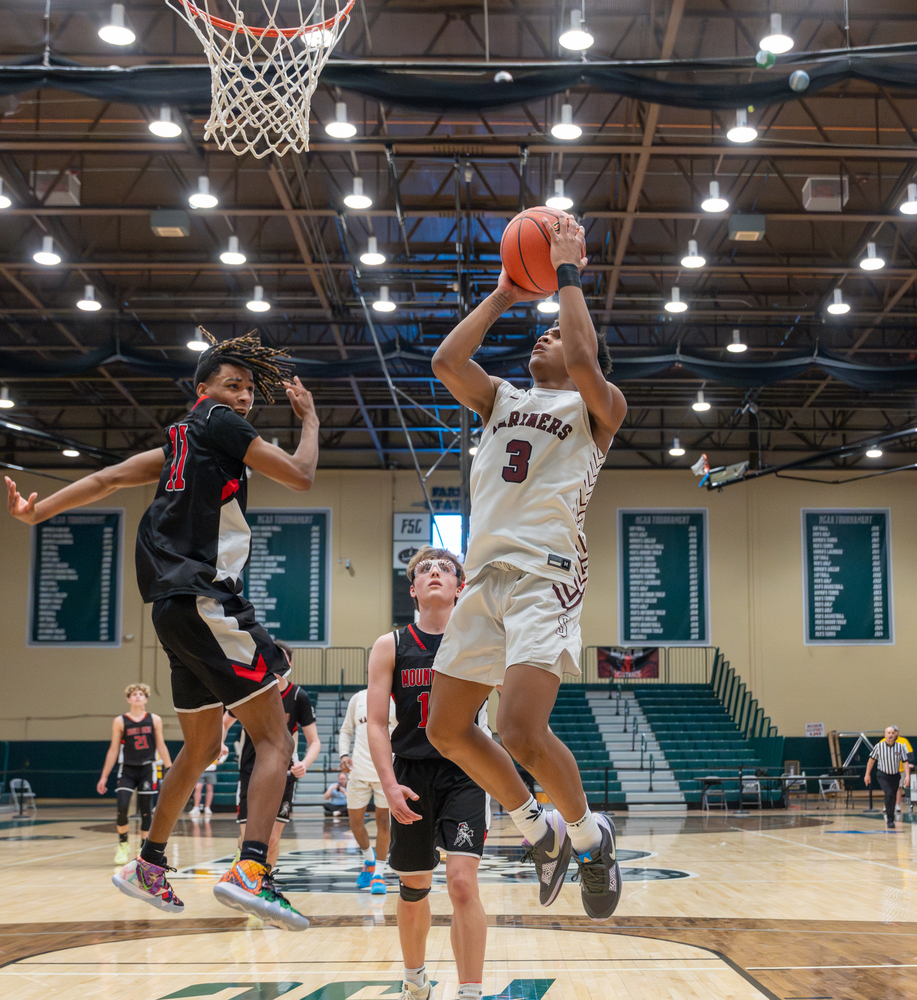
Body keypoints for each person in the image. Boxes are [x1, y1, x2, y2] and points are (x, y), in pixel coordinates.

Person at [5, 334, 319, 930]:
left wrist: (37, 513)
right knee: (275, 738)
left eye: (250, 388)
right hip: (204, 596)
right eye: (232, 384)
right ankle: (253, 870)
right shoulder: (219, 421)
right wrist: (310, 420)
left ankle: (148, 863)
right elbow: (302, 476)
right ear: (202, 392)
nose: (244, 395)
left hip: (169, 610)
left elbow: (109, 480)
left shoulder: (181, 443)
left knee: (201, 748)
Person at [425, 211, 627, 920]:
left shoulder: (598, 407)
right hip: (485, 578)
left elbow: (581, 359)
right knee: (445, 727)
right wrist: (506, 293)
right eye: (537, 333)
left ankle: (589, 834)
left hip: (546, 575)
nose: (545, 338)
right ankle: (537, 829)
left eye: (555, 331)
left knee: (518, 729)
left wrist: (567, 272)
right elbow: (446, 363)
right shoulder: (500, 399)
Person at [368, 547, 491, 1000]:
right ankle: (415, 978)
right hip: (411, 773)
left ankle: (470, 991)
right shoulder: (391, 645)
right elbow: (377, 723)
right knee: (415, 883)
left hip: (466, 770)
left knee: (462, 882)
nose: (434, 572)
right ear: (413, 589)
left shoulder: (479, 640)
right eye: (425, 569)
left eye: (445, 569)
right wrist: (388, 785)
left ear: (461, 587)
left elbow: (514, 693)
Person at [228, 670, 319, 873]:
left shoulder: (297, 696)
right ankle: (242, 863)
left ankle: (262, 881)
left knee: (272, 837)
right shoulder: (249, 692)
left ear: (289, 664)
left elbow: (315, 742)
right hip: (250, 771)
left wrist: (304, 763)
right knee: (247, 837)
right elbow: (224, 723)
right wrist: (220, 744)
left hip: (283, 773)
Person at [95, 683, 175, 866]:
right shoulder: (120, 721)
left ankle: (142, 849)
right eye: (134, 694)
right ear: (128, 699)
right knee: (122, 807)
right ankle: (123, 845)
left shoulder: (154, 719)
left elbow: (161, 745)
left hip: (148, 769)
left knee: (146, 812)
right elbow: (114, 750)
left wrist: (170, 769)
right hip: (128, 769)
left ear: (146, 699)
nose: (138, 696)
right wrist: (104, 776)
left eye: (141, 694)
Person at [338, 684, 397, 894]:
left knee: (384, 823)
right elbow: (346, 730)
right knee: (354, 823)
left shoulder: (396, 699)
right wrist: (344, 754)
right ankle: (369, 860)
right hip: (358, 771)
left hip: (385, 772)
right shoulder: (358, 698)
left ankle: (379, 874)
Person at [863, 726, 910, 829]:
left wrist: (907, 776)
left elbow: (905, 761)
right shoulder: (879, 746)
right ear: (885, 735)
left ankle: (890, 817)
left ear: (895, 735)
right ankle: (890, 820)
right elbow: (871, 761)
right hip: (883, 775)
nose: (890, 735)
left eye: (892, 733)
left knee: (892, 796)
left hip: (895, 775)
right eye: (888, 733)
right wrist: (867, 774)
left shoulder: (900, 747)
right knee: (888, 794)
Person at [191, 744, 227, 819]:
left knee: (210, 788)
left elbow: (225, 752)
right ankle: (196, 807)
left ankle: (207, 807)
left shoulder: (216, 744)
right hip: (201, 770)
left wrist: (220, 761)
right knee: (198, 787)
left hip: (211, 770)